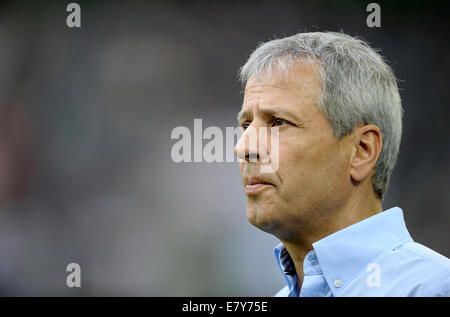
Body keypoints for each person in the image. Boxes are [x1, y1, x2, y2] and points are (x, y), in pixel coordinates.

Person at [234, 32, 450, 297]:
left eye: (278, 122)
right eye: (246, 125)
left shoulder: (433, 288)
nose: (244, 147)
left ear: (361, 151)